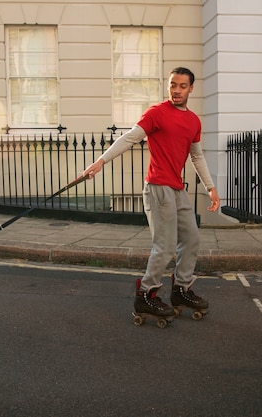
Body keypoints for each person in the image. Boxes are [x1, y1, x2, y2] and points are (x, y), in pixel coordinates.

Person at [83, 67, 220, 320]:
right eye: (172, 85)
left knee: (192, 240)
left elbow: (196, 155)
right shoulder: (157, 113)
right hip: (158, 188)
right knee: (165, 247)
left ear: (191, 89)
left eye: (181, 86)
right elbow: (129, 138)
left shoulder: (193, 121)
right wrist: (101, 161)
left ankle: (181, 289)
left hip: (178, 190)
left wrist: (210, 187)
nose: (176, 90)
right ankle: (146, 294)